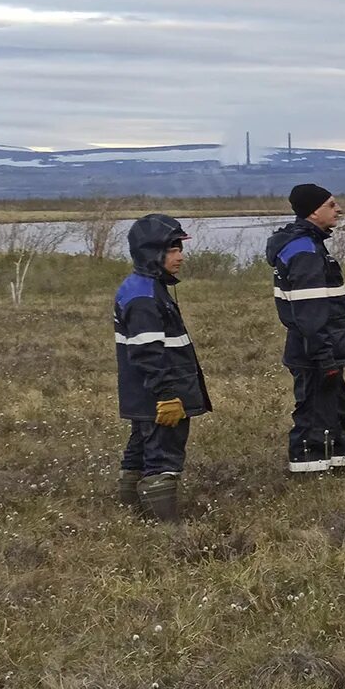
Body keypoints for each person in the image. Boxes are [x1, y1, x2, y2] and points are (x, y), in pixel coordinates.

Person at [113, 213, 210, 521]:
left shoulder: (145, 287)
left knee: (140, 449)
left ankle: (131, 515)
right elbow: (147, 354)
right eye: (172, 249)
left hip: (145, 396)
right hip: (160, 397)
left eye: (180, 249)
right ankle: (166, 529)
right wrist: (167, 395)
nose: (180, 257)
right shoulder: (143, 297)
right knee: (163, 456)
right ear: (151, 252)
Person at [265, 183, 345, 477]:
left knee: (334, 410)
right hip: (315, 352)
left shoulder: (311, 244)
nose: (339, 210)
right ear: (313, 211)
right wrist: (324, 358)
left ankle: (335, 469)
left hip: (322, 349)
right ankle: (310, 475)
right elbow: (310, 313)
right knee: (313, 415)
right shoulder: (304, 251)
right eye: (332, 205)